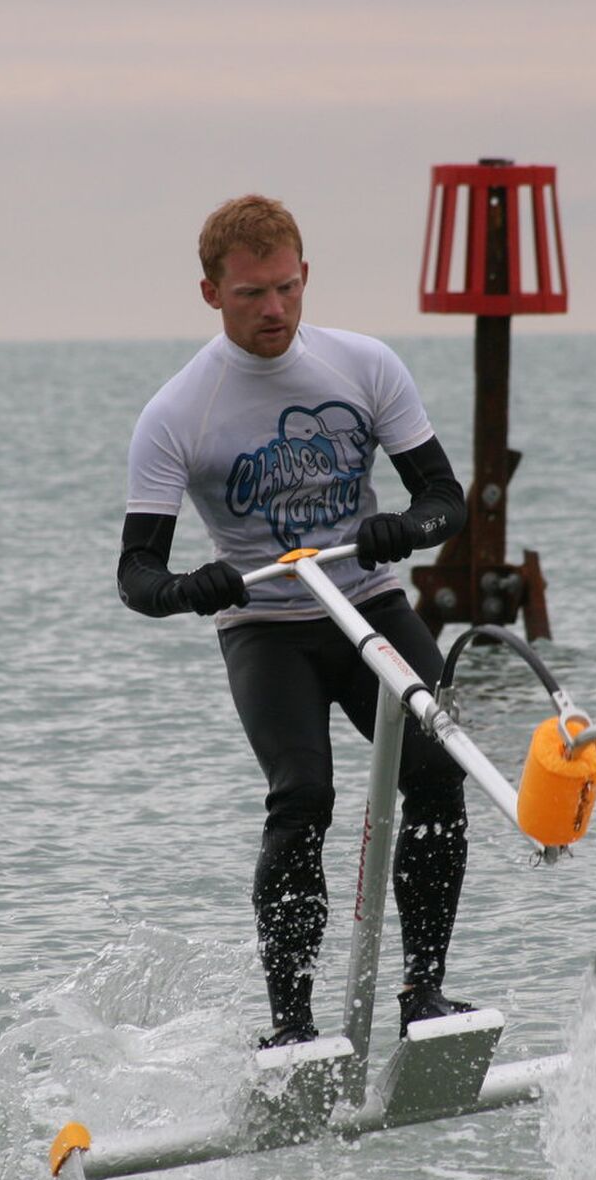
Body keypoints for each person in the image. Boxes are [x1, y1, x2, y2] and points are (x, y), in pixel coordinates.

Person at [117, 194, 475, 1049]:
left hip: (372, 602)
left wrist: (406, 528)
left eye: (285, 288)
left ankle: (423, 996)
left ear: (305, 275)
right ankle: (293, 1029)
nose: (273, 310)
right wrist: (188, 589)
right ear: (211, 293)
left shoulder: (365, 366)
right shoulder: (177, 414)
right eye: (249, 295)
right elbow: (136, 574)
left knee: (436, 767)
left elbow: (445, 500)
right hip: (266, 629)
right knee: (302, 795)